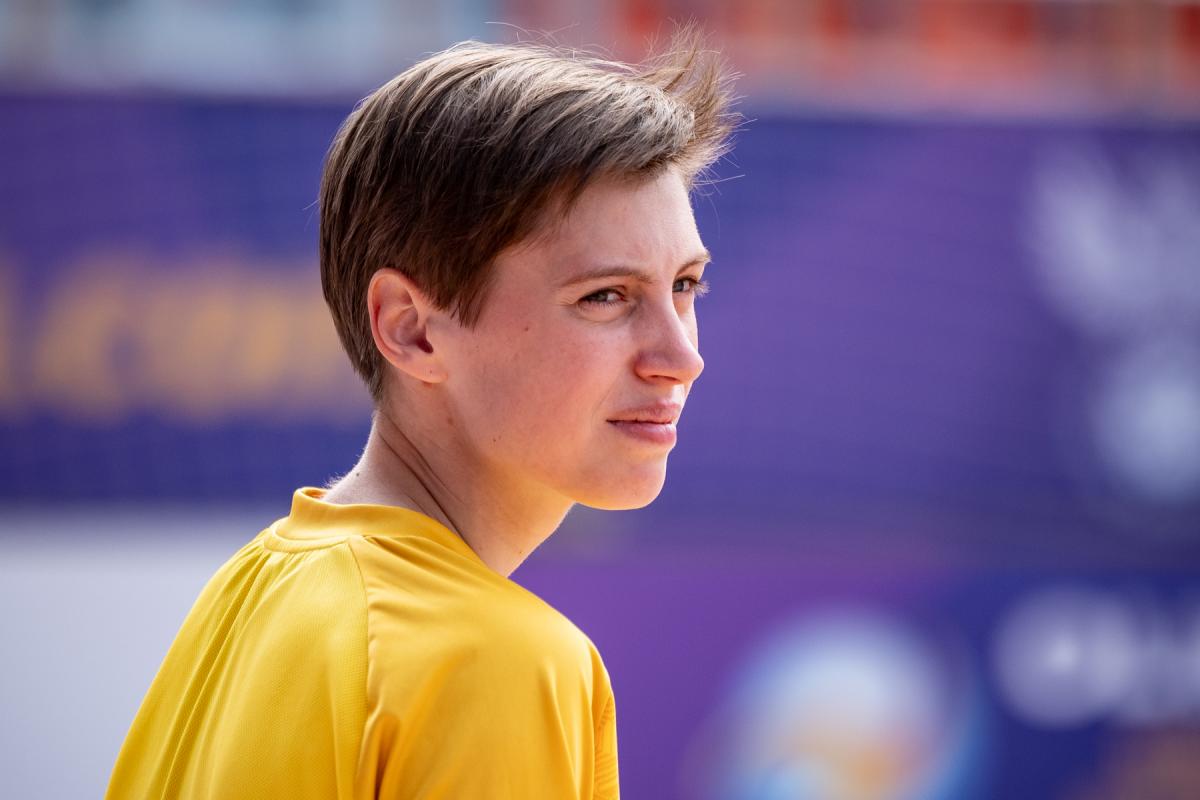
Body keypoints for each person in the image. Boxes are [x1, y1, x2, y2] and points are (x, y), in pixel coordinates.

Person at [106, 26, 736, 800]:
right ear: (411, 330)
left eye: (686, 286)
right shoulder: (494, 660)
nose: (680, 356)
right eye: (605, 296)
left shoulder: (249, 592)